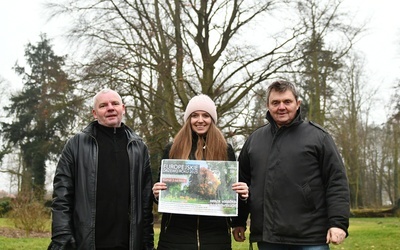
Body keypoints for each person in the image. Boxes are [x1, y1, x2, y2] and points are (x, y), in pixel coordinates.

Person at [232, 80, 350, 250]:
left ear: (297, 103)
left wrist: (338, 223)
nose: (281, 107)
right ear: (267, 105)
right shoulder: (254, 140)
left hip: (310, 237)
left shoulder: (319, 137)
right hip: (268, 238)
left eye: (287, 102)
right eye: (275, 102)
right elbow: (241, 184)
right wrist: (239, 221)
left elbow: (336, 182)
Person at [48, 89, 154, 250]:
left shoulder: (139, 148)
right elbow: (62, 196)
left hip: (129, 243)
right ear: (95, 113)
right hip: (88, 242)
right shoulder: (76, 145)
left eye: (115, 104)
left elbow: (146, 203)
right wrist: (62, 236)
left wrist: (147, 242)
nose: (110, 108)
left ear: (123, 109)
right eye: (103, 105)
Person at [152, 94, 249, 250]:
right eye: (194, 115)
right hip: (175, 238)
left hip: (215, 238)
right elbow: (160, 195)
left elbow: (229, 194)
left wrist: (241, 195)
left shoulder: (225, 149)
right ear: (188, 119)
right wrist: (157, 193)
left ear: (212, 119)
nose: (200, 120)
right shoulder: (173, 148)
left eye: (206, 115)